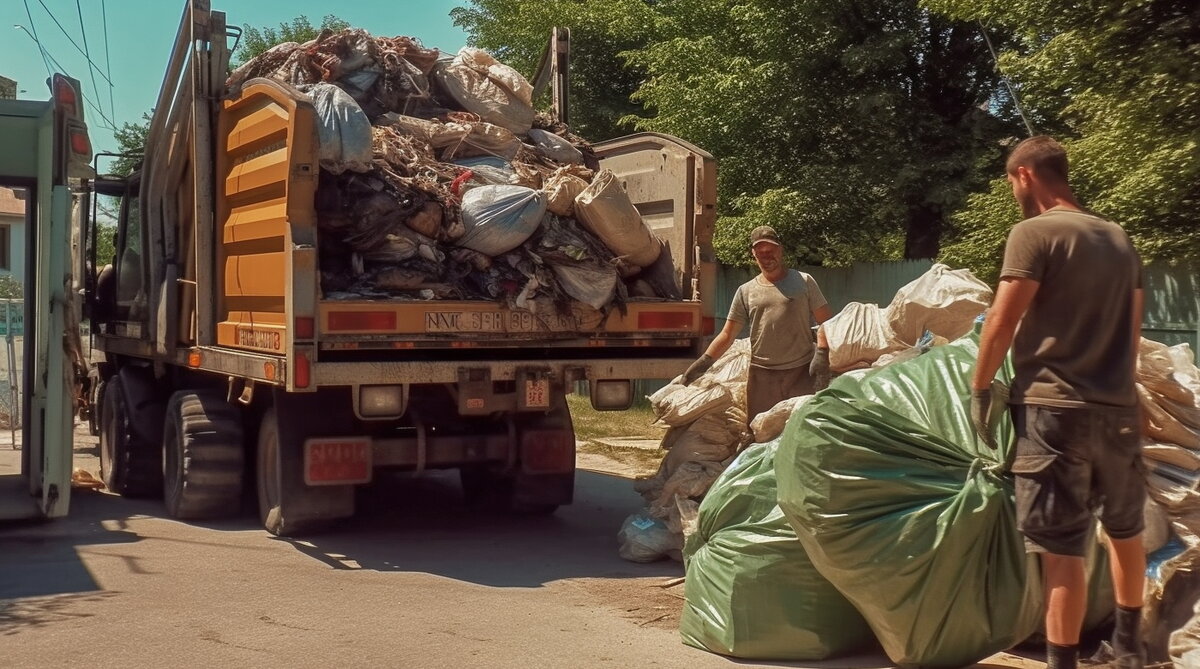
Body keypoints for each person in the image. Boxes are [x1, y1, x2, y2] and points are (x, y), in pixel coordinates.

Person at [970, 136, 1146, 669]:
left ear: (1024, 175)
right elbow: (1134, 333)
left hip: (1054, 413)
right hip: (1118, 408)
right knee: (1126, 529)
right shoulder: (1119, 239)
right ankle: (1129, 648)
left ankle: (1062, 662)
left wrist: (981, 389)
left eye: (1010, 183)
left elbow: (1002, 321)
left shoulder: (1033, 233)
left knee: (1062, 548)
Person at [682, 225, 834, 419]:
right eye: (760, 253)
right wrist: (704, 361)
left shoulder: (803, 281)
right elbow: (727, 335)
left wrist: (821, 354)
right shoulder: (745, 291)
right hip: (762, 377)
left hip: (801, 372)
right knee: (759, 433)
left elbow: (827, 322)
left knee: (799, 429)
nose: (767, 256)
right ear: (753, 255)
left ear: (781, 250)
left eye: (771, 251)